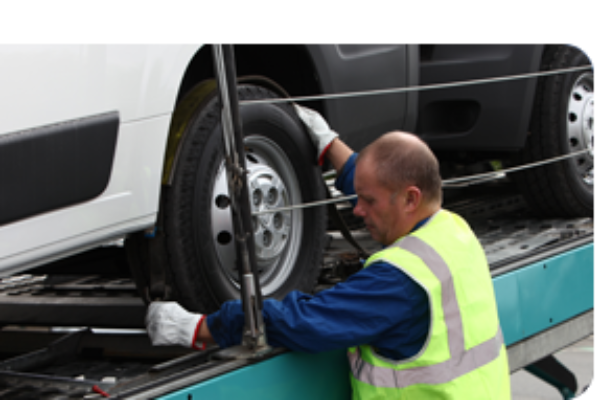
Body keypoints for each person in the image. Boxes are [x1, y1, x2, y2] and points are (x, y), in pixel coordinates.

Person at [146, 105, 512, 399]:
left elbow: (302, 321)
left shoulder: (398, 281)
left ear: (410, 198)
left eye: (366, 201)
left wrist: (202, 327)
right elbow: (383, 184)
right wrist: (330, 146)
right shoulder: (453, 231)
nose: (356, 210)